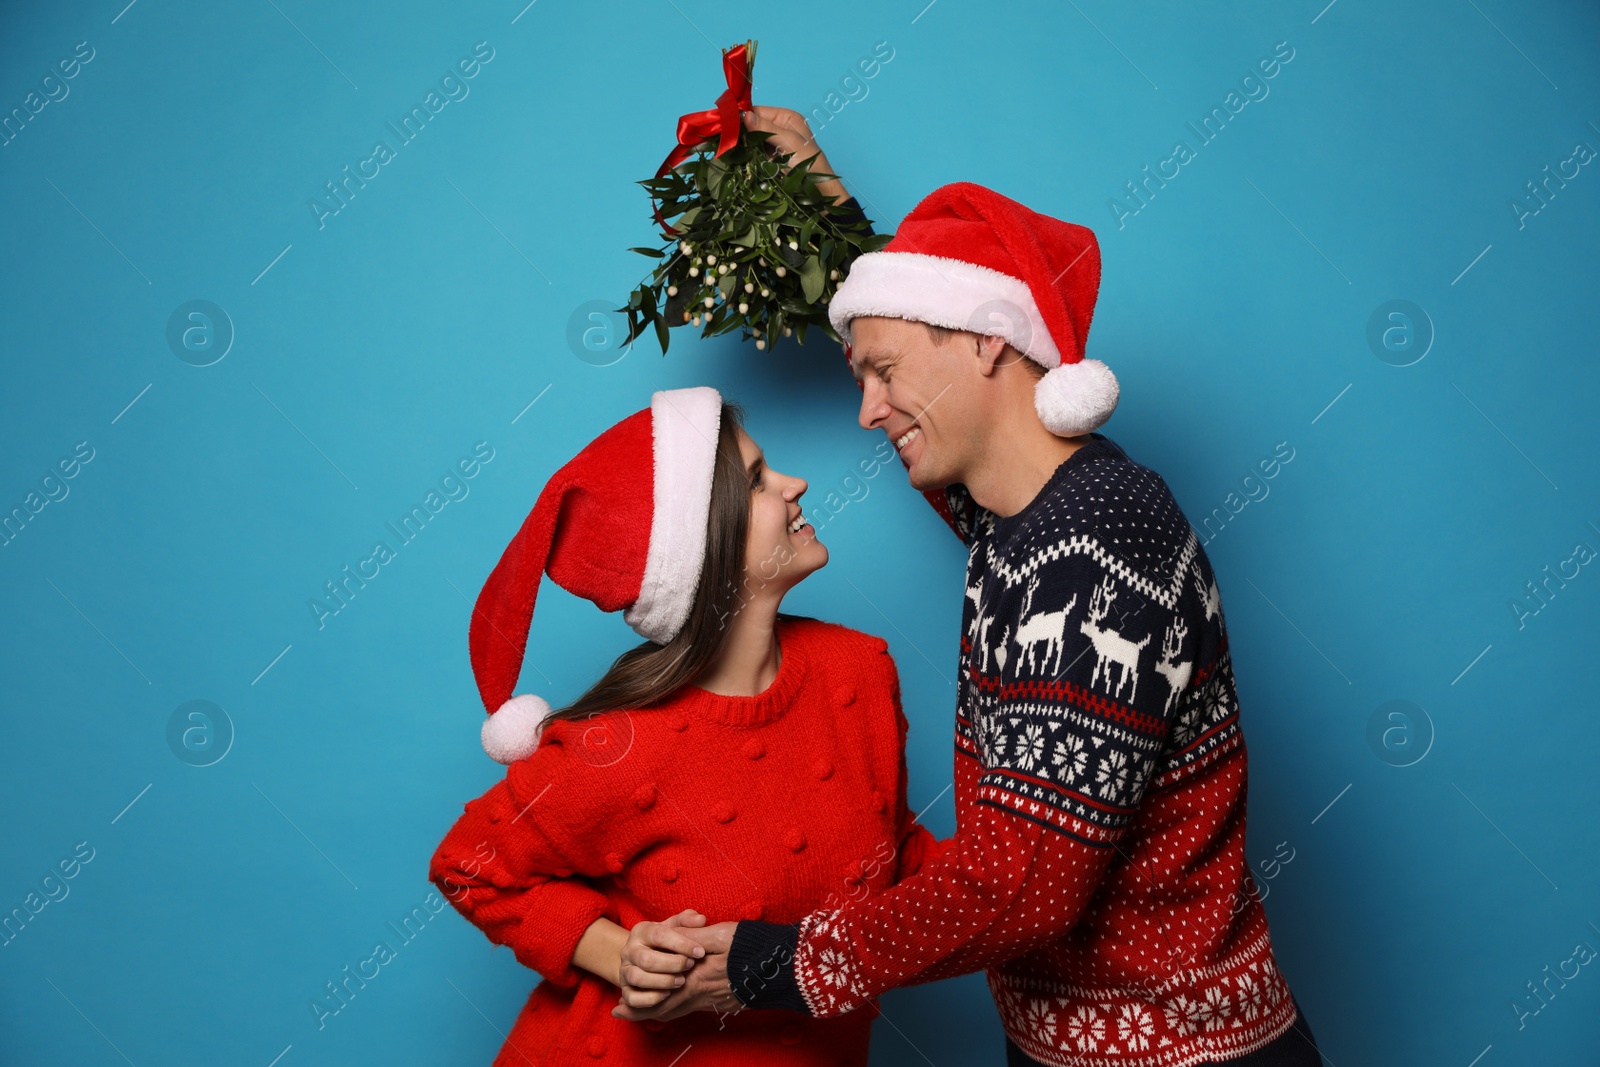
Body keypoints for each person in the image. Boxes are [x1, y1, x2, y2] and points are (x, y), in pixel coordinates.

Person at [615, 115, 1326, 1066]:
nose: (867, 410)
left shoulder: (1096, 543)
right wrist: (822, 199)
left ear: (988, 343)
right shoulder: (1023, 515)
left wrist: (762, 963)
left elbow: (1021, 885)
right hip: (1074, 1043)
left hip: (1179, 1053)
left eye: (884, 374)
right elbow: (927, 306)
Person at [428, 386, 943, 1065]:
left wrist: (1046, 872)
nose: (797, 484)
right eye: (759, 481)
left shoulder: (861, 671)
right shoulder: (615, 745)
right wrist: (615, 951)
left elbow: (897, 858)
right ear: (705, 549)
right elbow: (468, 865)